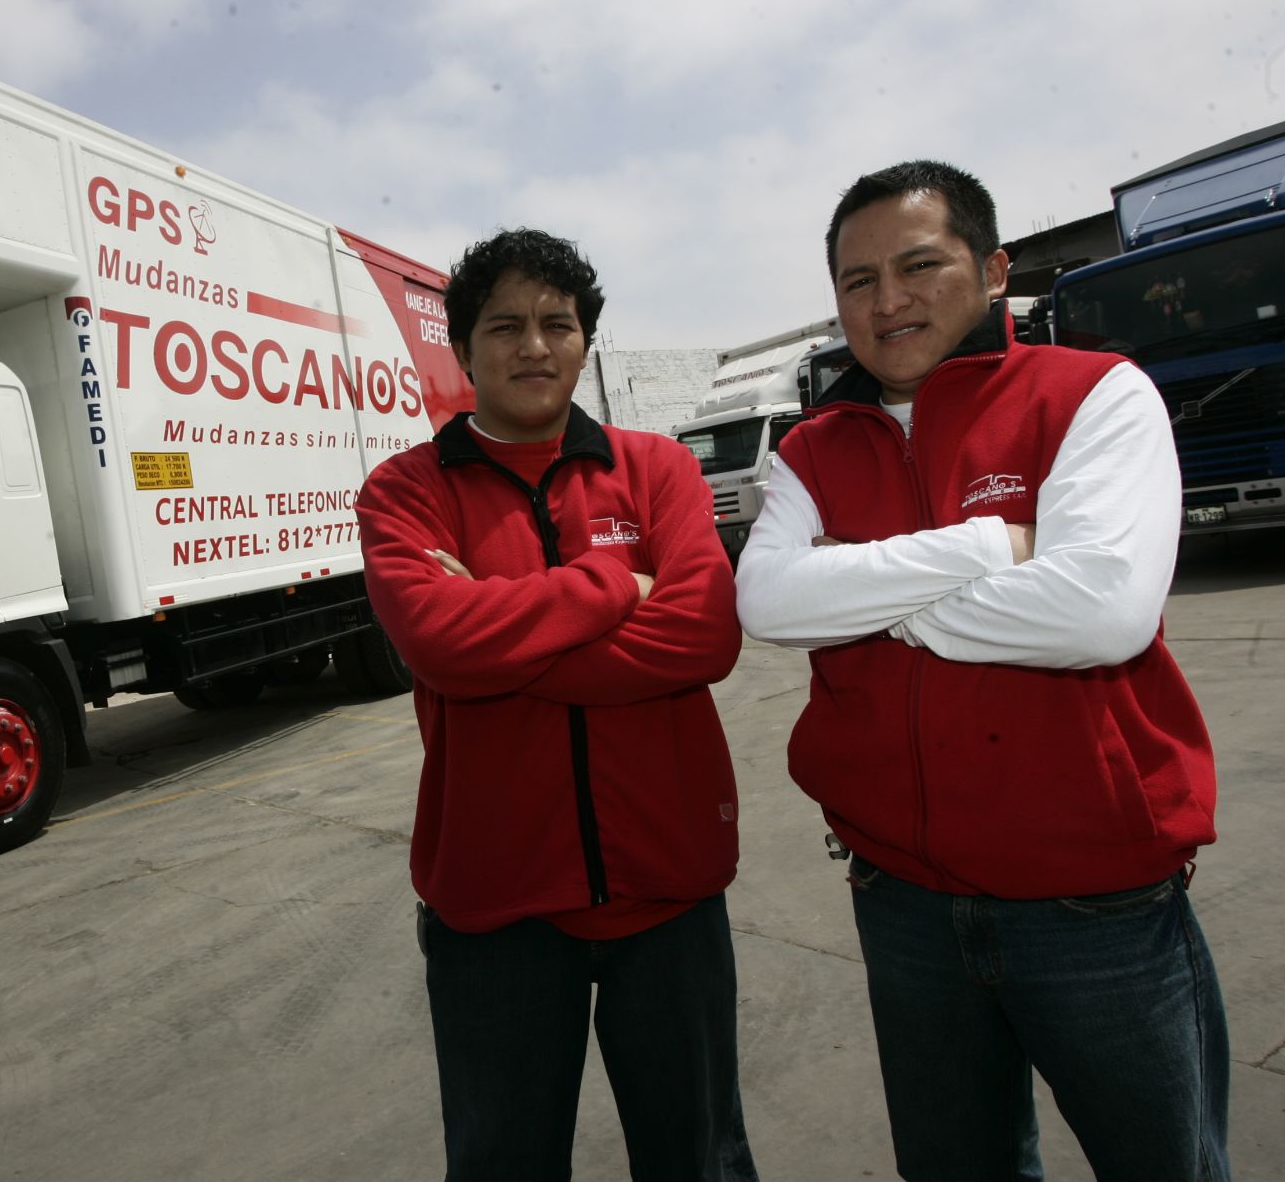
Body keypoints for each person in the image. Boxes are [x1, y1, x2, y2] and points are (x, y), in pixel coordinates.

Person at [735, 160, 1228, 1181]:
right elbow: (769, 602)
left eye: (920, 264)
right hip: (903, 901)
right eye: (858, 280)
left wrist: (866, 599)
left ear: (996, 269)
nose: (889, 300)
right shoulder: (812, 451)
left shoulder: (1094, 394)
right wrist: (992, 545)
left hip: (1097, 906)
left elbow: (1101, 611)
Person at [355, 227, 758, 1181]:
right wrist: (617, 586)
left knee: (701, 1160)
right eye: (503, 326)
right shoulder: (404, 491)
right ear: (462, 349)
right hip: (494, 913)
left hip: (668, 892)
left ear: (586, 342)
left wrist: (496, 636)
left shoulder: (655, 467)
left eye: (556, 324)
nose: (533, 346)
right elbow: (440, 647)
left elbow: (707, 636)